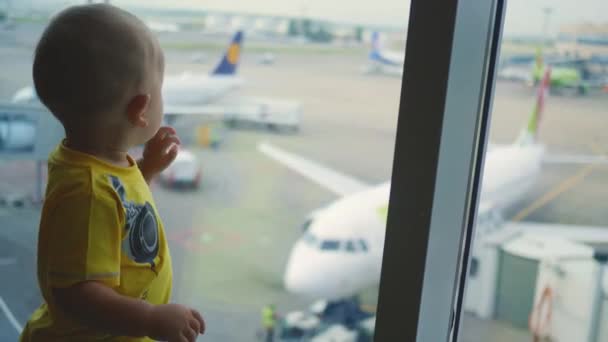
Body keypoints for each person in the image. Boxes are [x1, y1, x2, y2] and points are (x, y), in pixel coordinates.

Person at [19, 4, 205, 342]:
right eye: (160, 89)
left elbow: (119, 217)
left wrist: (146, 171)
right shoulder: (88, 192)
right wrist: (149, 319)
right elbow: (78, 293)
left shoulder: (98, 166)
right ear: (140, 110)